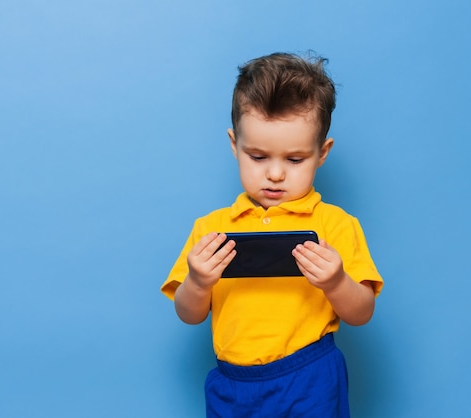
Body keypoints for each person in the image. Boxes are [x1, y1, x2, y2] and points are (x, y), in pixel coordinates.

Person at [160, 52, 383, 417]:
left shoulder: (335, 224)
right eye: (258, 157)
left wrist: (336, 281)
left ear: (321, 152)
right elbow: (188, 314)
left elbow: (362, 313)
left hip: (309, 375)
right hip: (233, 383)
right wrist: (198, 282)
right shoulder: (211, 228)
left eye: (294, 160)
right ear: (235, 145)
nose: (275, 174)